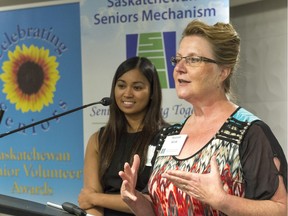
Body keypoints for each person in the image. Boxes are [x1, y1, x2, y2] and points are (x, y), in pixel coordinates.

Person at [119, 20, 288, 215]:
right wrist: (134, 199)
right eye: (178, 59)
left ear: (223, 71)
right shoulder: (167, 135)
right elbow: (156, 207)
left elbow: (281, 209)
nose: (179, 68)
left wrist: (223, 201)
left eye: (193, 60)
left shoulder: (249, 133)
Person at [77, 56, 169, 216]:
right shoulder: (98, 140)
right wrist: (93, 199)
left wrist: (95, 198)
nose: (127, 93)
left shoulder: (167, 138)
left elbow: (155, 203)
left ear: (152, 92)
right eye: (121, 86)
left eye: (137, 87)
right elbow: (88, 202)